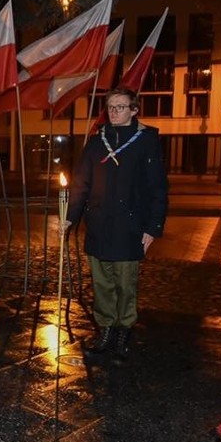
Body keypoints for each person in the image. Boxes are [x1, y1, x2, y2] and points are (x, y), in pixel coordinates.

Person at [64, 87, 168, 364]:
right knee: (101, 284)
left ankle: (123, 333)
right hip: (99, 226)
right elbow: (81, 182)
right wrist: (70, 216)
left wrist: (153, 227)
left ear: (134, 110)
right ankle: (106, 331)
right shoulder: (97, 142)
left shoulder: (146, 141)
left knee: (125, 284)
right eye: (110, 107)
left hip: (130, 227)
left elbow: (157, 187)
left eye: (120, 107)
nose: (114, 112)